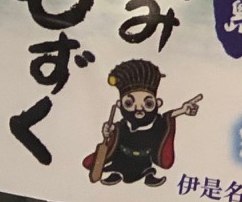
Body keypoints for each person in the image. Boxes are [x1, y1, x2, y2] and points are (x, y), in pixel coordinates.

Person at [84, 58, 200, 187]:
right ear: (119, 104)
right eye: (129, 103)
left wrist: (182, 110)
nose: (139, 108)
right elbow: (113, 133)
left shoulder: (156, 124)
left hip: (143, 159)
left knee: (145, 170)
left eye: (148, 103)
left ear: (158, 103)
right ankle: (116, 174)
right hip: (121, 157)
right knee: (117, 167)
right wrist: (108, 131)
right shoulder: (122, 126)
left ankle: (148, 176)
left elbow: (168, 117)